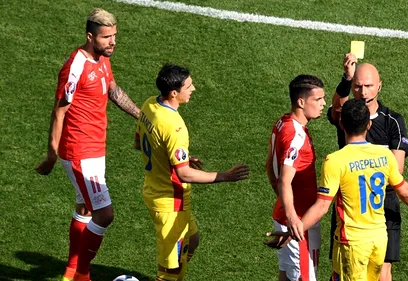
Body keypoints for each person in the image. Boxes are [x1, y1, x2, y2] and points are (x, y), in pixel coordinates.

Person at [270, 99, 408, 281]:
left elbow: (322, 207)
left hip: (352, 243)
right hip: (379, 240)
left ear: (341, 123)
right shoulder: (385, 156)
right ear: (369, 124)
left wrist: (294, 231)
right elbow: (403, 188)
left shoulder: (335, 161)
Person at [35, 8, 141, 281]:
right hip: (79, 150)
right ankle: (82, 274)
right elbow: (59, 111)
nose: (113, 42)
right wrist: (51, 155)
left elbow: (113, 90)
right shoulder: (75, 66)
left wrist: (142, 116)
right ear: (90, 37)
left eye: (115, 35)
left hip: (96, 147)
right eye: (106, 37)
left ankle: (71, 271)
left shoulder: (103, 59)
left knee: (84, 208)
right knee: (104, 214)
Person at [135, 63, 250, 281]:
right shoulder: (174, 125)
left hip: (156, 190)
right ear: (174, 93)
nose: (194, 88)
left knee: (192, 239)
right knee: (169, 271)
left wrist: (177, 158)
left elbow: (138, 142)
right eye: (189, 86)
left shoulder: (150, 104)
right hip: (170, 202)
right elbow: (184, 175)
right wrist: (224, 176)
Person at [326, 54, 408, 281]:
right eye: (358, 86)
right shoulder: (348, 115)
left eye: (369, 86)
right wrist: (345, 77)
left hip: (383, 205)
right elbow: (336, 106)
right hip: (350, 206)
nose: (363, 92)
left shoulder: (393, 121)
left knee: (383, 273)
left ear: (379, 86)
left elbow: (397, 170)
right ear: (352, 88)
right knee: (344, 271)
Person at [264, 74, 326, 281]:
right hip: (299, 222)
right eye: (318, 100)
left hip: (288, 215)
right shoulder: (295, 137)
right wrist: (293, 219)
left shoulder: (283, 122)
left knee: (287, 275)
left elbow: (270, 167)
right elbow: (284, 179)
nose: (323, 104)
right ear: (301, 102)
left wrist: (283, 202)